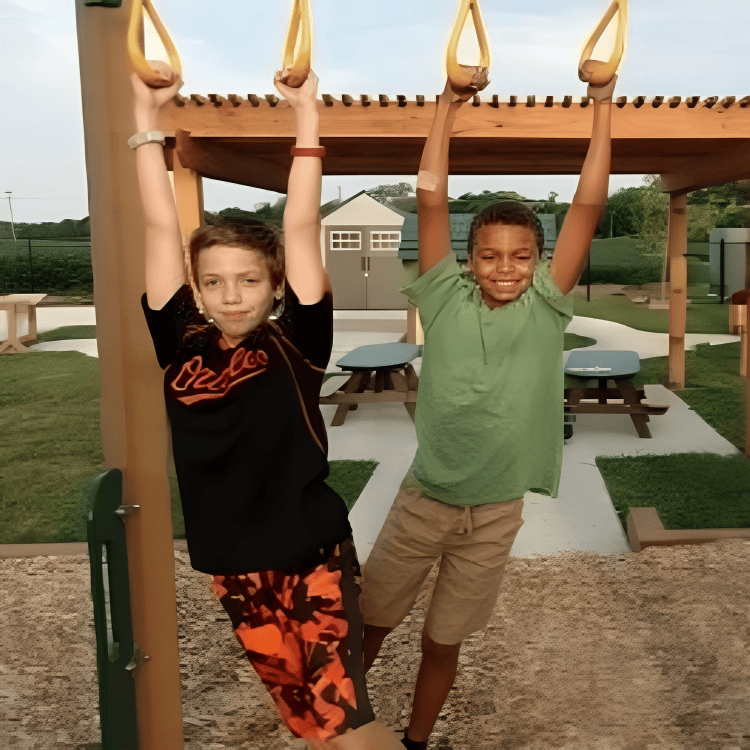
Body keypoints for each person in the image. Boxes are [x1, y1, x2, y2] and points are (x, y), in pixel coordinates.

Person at [131, 62, 404, 750]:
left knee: (345, 720)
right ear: (194, 287)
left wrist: (306, 117)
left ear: (275, 284)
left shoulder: (298, 342)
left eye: (249, 280)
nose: (231, 295)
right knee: (310, 724)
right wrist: (147, 121)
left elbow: (302, 222)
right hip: (233, 567)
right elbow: (160, 229)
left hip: (310, 552)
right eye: (215, 281)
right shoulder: (179, 340)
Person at [358, 67, 617, 750]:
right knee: (372, 625)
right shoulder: (443, 298)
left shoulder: (547, 307)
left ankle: (415, 741)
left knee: (443, 643)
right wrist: (447, 106)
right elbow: (431, 196)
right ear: (467, 260)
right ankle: (332, 730)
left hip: (495, 514)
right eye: (490, 256)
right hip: (425, 502)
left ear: (539, 260)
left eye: (521, 256)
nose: (505, 268)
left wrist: (602, 107)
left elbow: (589, 205)